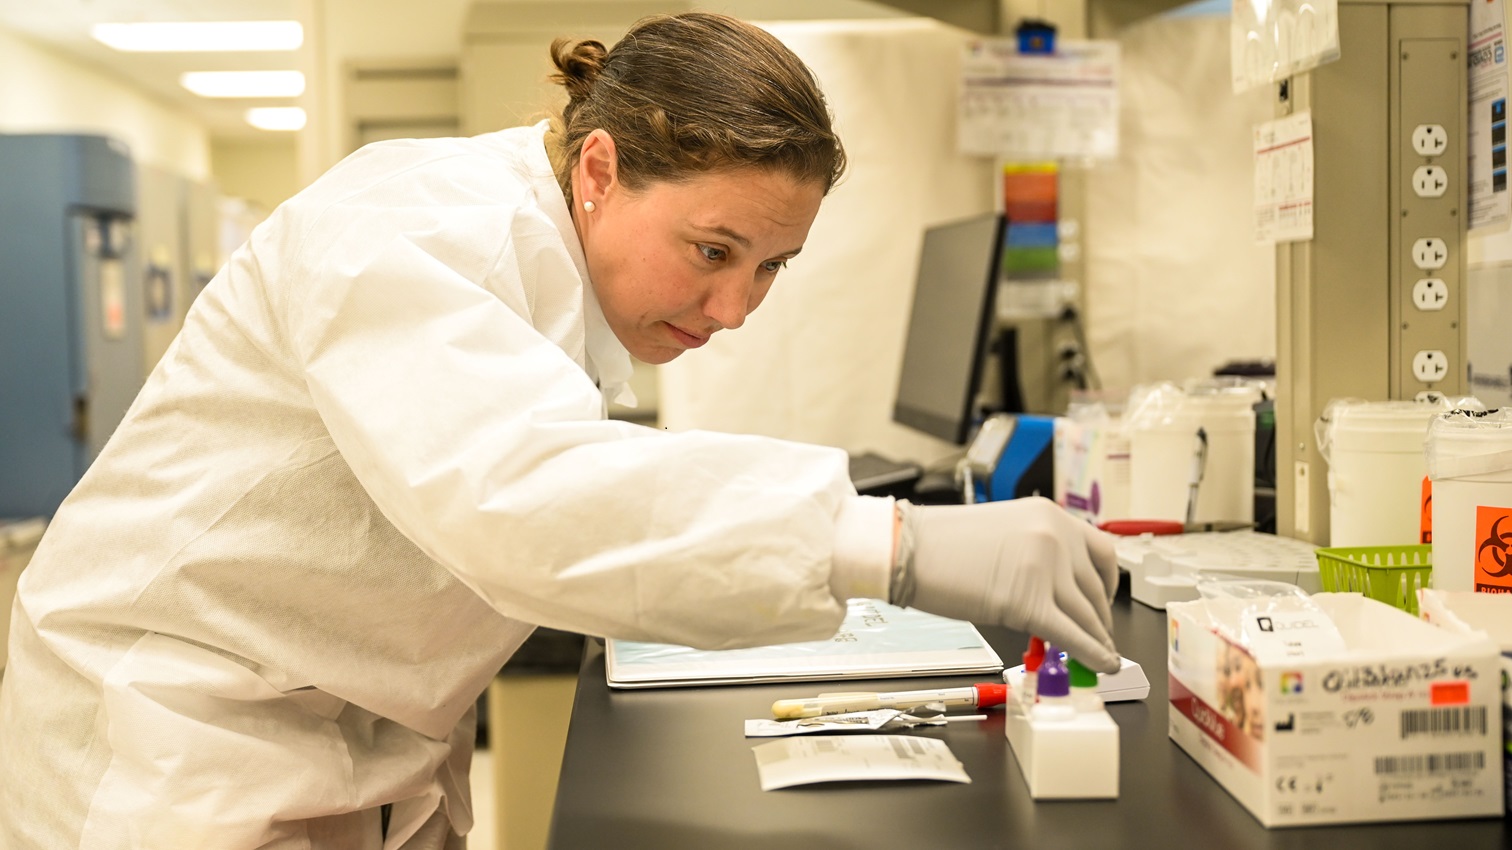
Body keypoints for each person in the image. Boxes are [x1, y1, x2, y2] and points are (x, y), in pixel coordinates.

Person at [0, 12, 1119, 848]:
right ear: (599, 168)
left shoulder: (551, 260)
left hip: (341, 727)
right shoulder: (410, 230)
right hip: (175, 738)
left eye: (772, 266)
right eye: (714, 250)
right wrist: (900, 550)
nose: (734, 309)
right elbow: (519, 496)